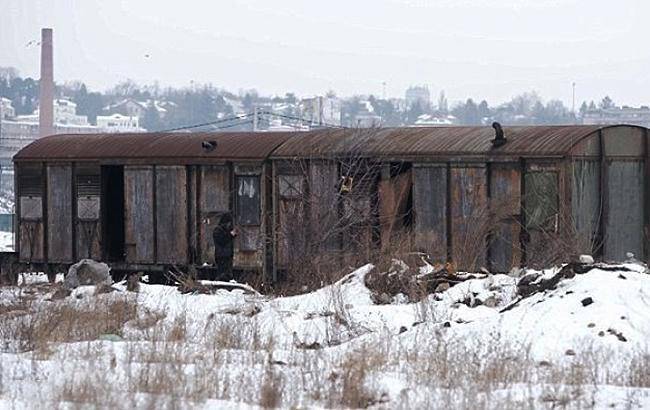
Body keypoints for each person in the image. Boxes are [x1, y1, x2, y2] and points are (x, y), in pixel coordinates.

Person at [212, 213, 237, 280]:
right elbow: (222, 241)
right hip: (221, 256)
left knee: (227, 274)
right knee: (222, 273)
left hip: (227, 255)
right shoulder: (218, 230)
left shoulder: (224, 231)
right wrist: (230, 235)